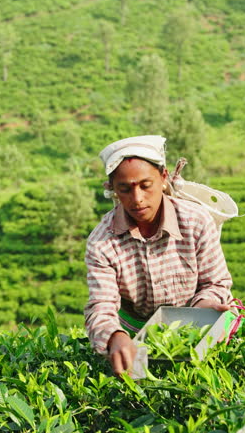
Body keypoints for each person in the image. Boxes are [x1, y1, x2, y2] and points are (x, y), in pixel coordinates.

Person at [84, 135, 233, 376]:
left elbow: (214, 282)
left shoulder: (195, 221)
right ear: (112, 189)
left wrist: (206, 307)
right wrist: (114, 336)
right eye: (125, 189)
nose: (137, 199)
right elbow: (101, 306)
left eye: (145, 185)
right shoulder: (102, 242)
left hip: (194, 324)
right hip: (135, 333)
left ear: (163, 178)